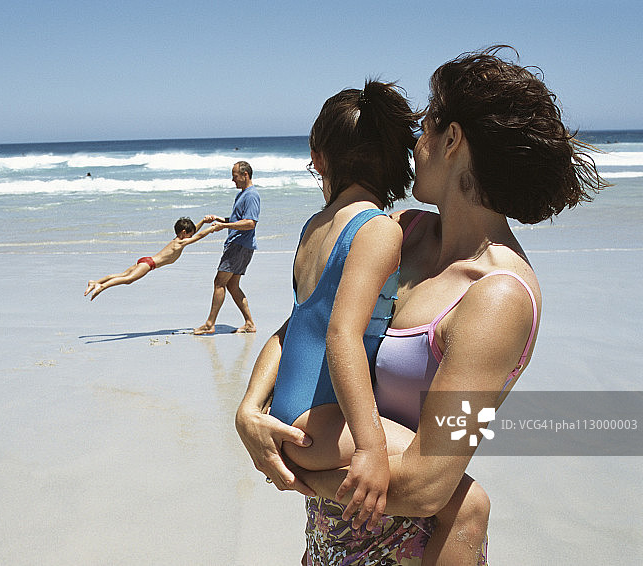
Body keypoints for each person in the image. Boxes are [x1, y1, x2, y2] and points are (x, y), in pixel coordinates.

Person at [236, 46, 606, 565]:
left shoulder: (498, 299)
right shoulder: (402, 233)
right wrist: (250, 410)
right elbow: (308, 321)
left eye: (426, 126)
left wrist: (296, 471)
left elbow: (431, 484)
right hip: (330, 538)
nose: (414, 143)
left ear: (452, 139)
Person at [193, 161, 260, 334]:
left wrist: (224, 227)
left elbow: (250, 223)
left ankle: (210, 324)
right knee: (232, 285)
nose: (232, 180)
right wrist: (220, 219)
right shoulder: (242, 194)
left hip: (239, 245)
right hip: (241, 245)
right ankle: (249, 323)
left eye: (235, 176)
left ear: (245, 175)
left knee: (219, 282)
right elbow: (238, 219)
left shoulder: (251, 195)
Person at [84, 216, 220, 300]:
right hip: (149, 264)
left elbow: (194, 231)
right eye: (189, 235)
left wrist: (203, 221)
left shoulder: (178, 239)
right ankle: (102, 286)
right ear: (184, 233)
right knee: (128, 279)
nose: (191, 236)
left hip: (146, 260)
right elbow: (199, 236)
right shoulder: (180, 243)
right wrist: (211, 229)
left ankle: (95, 282)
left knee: (122, 274)